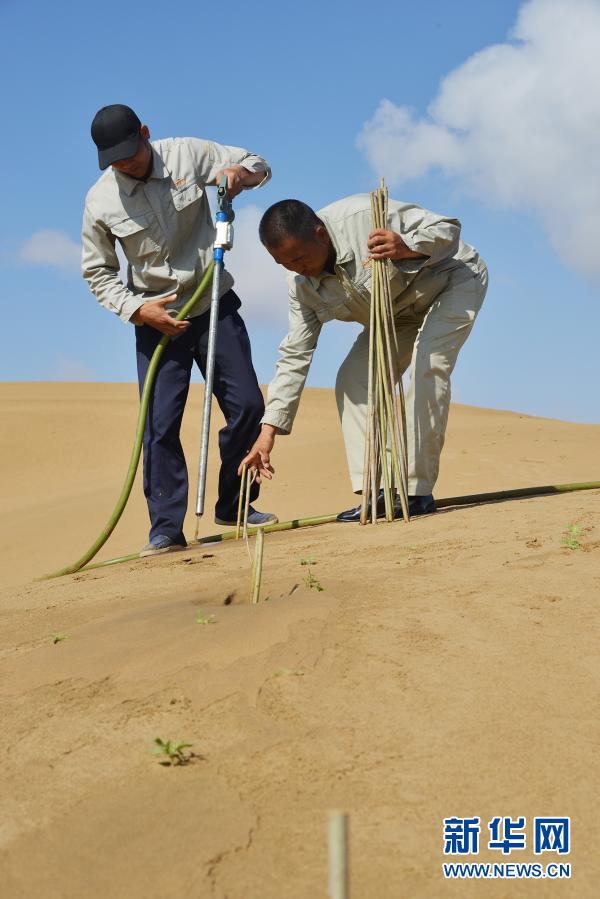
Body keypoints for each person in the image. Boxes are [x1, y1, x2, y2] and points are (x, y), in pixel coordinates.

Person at [82, 104, 277, 555]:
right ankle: (166, 529)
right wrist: (137, 310)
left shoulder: (187, 154)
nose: (124, 165)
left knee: (248, 404)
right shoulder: (100, 201)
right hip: (157, 319)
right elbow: (98, 274)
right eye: (114, 160)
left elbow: (258, 163)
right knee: (159, 426)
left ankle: (236, 504)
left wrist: (239, 175)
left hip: (213, 302)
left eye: (130, 153)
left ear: (145, 133)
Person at [240, 194, 488, 521]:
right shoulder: (300, 285)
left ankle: (416, 492)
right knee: (353, 380)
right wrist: (268, 431)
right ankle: (381, 490)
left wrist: (407, 245)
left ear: (320, 233)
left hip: (451, 282)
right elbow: (295, 355)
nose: (297, 269)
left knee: (428, 365)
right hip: (394, 314)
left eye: (299, 258)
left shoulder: (362, 217)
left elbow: (447, 229)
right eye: (285, 264)